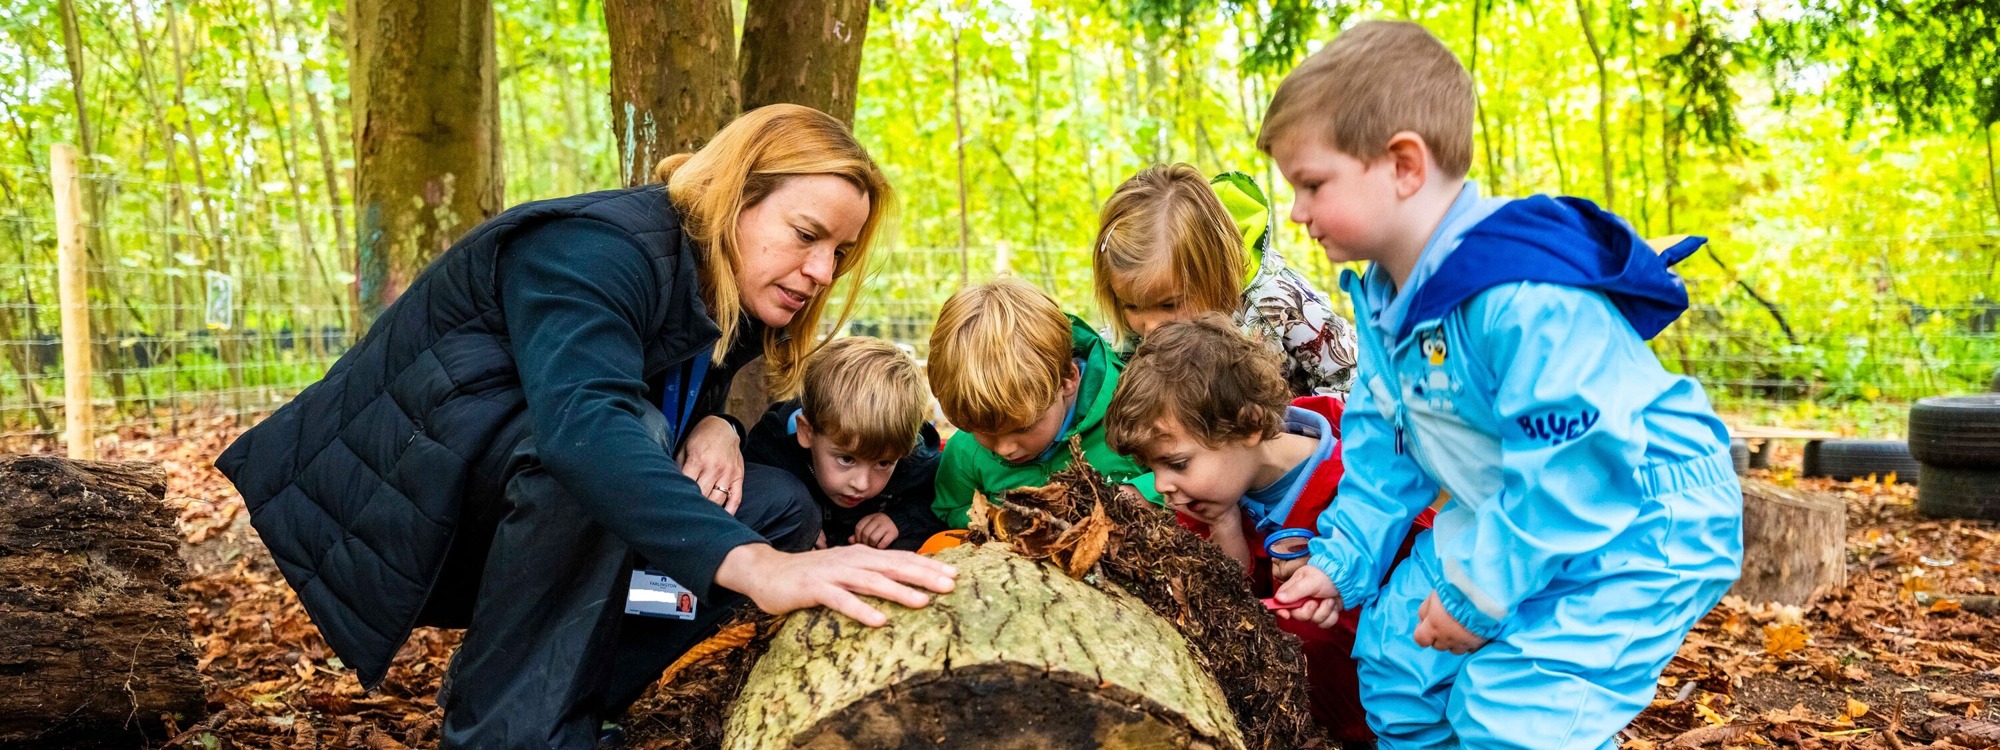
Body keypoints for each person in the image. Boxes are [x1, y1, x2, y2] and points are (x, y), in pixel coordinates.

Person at [214, 104, 957, 749]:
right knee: (623, 451)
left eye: (840, 253)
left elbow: (662, 390)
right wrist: (759, 568)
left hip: (538, 499)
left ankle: (571, 702)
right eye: (806, 234)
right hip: (401, 507)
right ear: (736, 194)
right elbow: (585, 425)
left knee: (778, 508)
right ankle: (509, 733)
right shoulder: (595, 248)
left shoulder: (733, 286)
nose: (823, 271)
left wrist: (719, 423)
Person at [1260, 21, 1742, 749]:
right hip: (1516, 504)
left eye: (1312, 185)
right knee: (1398, 661)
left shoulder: (1521, 295)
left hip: (1640, 515)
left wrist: (1479, 593)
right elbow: (1386, 456)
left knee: (1516, 711)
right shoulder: (1390, 305)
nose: (1297, 211)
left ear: (1403, 165)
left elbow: (1580, 465)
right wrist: (1341, 562)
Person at [1105, 314, 1430, 746]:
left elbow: (1415, 591)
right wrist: (1224, 526)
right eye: (1153, 468)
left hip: (1396, 711)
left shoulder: (1359, 483)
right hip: (1309, 719)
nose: (1162, 484)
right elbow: (1228, 606)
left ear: (1250, 425)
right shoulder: (1210, 496)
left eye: (1177, 463)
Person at [1092, 163, 1358, 396]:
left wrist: (1300, 426)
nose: (1151, 327)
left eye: (1169, 305)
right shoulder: (1131, 335)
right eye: (1131, 306)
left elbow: (1355, 377)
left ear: (1215, 272)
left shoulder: (1277, 303)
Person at [925, 277, 1160, 531]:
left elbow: (1185, 468)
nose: (1005, 448)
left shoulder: (1133, 411)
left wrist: (1141, 494)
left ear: (1067, 380)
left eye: (1022, 428)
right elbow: (950, 507)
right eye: (983, 432)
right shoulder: (964, 451)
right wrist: (998, 520)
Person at [742, 336, 946, 552]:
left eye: (883, 463)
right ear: (807, 432)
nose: (862, 484)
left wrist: (899, 520)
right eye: (847, 459)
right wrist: (794, 524)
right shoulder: (772, 451)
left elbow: (942, 502)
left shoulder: (916, 460)